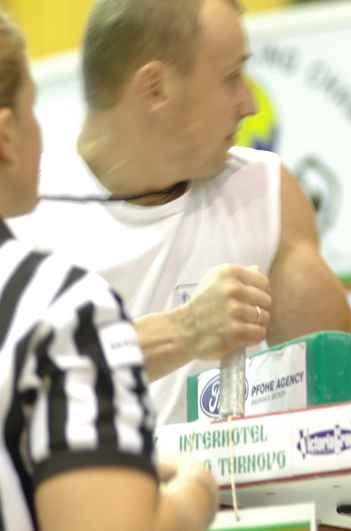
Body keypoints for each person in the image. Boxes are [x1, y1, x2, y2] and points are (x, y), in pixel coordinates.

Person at [10, 0, 351, 425]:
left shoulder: (263, 190)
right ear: (155, 88)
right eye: (231, 76)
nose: (249, 104)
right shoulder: (19, 212)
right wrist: (183, 331)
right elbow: (17, 379)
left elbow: (339, 383)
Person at [0, 11, 217, 531]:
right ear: (5, 136)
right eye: (33, 112)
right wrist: (192, 491)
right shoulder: (61, 308)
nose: (44, 140)